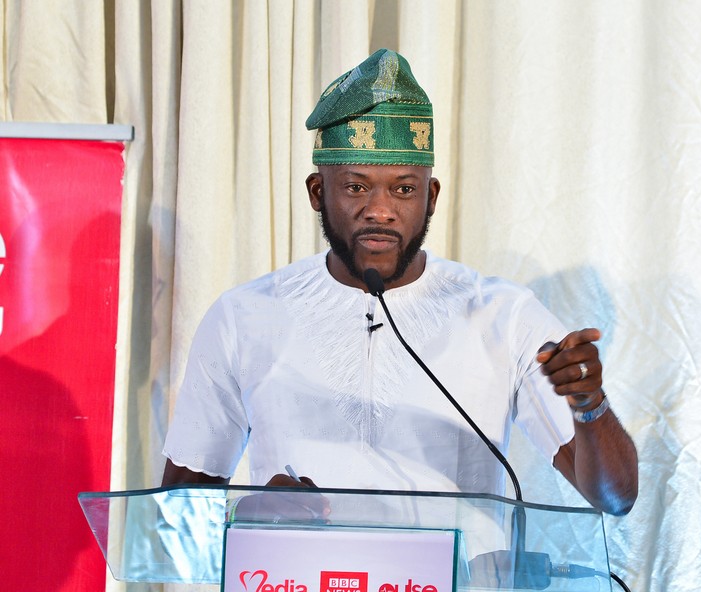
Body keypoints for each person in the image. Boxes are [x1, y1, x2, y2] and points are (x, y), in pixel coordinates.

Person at [161, 49, 638, 517]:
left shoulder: (503, 315)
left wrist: (589, 404)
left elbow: (615, 498)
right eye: (356, 186)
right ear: (316, 192)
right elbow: (172, 523)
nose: (381, 209)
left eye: (404, 189)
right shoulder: (244, 316)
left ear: (430, 197)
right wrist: (246, 513)